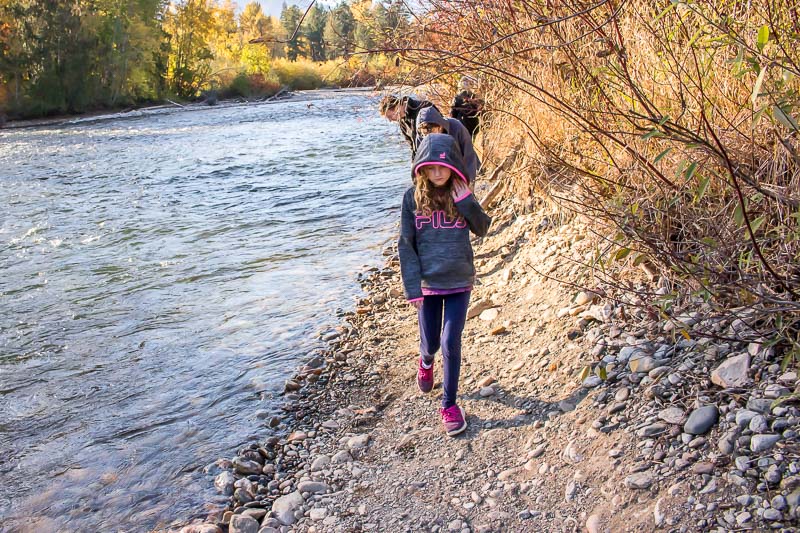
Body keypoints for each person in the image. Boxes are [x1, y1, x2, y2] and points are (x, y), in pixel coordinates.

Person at [398, 133, 492, 437]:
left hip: (459, 279)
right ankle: (425, 360)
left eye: (442, 167)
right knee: (433, 344)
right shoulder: (411, 198)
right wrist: (412, 286)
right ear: (421, 169)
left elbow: (482, 228)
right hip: (427, 284)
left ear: (452, 165)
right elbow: (405, 244)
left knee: (451, 341)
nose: (437, 173)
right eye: (431, 168)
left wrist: (466, 203)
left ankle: (449, 404)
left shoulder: (462, 192)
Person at [415, 106, 481, 183]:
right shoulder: (421, 138)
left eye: (431, 131)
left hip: (463, 163)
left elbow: (469, 155)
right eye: (424, 133)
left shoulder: (457, 127)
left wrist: (470, 182)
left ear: (440, 126)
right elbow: (422, 164)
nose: (428, 136)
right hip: (441, 171)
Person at [379, 94, 436, 158]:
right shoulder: (402, 122)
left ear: (396, 107)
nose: (390, 120)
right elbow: (413, 147)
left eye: (390, 116)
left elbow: (438, 135)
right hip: (423, 158)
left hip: (437, 152)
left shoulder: (424, 108)